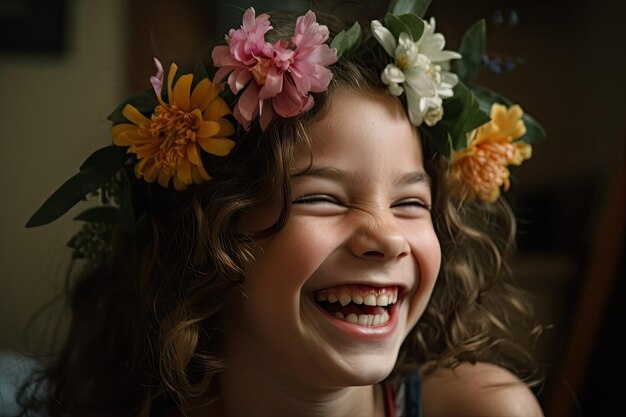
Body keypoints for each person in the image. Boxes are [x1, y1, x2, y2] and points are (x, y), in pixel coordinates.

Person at [19, 2, 545, 416]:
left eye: (410, 202)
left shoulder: (487, 409)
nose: (387, 238)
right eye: (321, 198)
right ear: (210, 237)